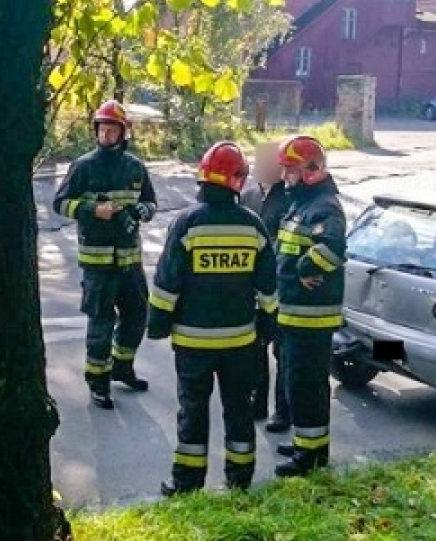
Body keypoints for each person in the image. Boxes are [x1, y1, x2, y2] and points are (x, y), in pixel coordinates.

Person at [147, 141, 277, 495]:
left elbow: (166, 282)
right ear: (239, 180)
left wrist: (157, 323)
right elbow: (268, 285)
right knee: (239, 409)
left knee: (193, 411)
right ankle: (240, 479)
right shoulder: (253, 226)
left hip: (193, 342)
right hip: (240, 342)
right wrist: (267, 324)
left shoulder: (187, 224)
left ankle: (187, 483)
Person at [53, 99, 158, 409]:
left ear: (123, 133)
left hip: (130, 261)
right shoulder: (83, 166)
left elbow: (152, 203)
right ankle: (98, 382)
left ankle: (122, 367)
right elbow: (59, 204)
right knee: (100, 323)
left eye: (113, 129)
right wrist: (91, 210)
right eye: (103, 129)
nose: (107, 134)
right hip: (98, 264)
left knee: (138, 315)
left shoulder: (136, 167)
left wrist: (143, 210)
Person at [271, 134, 347, 478]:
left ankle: (312, 456)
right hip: (292, 312)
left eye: (291, 170)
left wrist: (305, 268)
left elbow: (331, 249)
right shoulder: (301, 203)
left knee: (308, 385)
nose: (285, 177)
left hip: (311, 319)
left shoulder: (324, 206)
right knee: (295, 383)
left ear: (311, 171)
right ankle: (306, 443)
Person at [252, 155, 294, 431]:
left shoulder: (289, 200)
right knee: (256, 348)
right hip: (254, 286)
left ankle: (283, 412)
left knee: (282, 352)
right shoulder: (249, 196)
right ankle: (257, 402)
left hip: (281, 285)